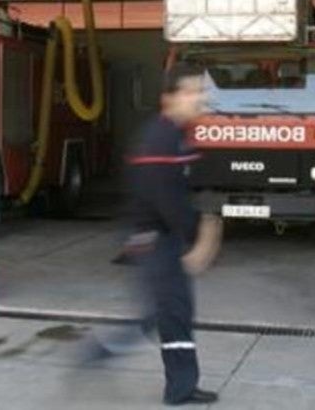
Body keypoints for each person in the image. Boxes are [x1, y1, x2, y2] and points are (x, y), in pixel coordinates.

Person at [86, 63, 221, 406]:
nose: (199, 98)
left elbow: (182, 189)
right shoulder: (159, 139)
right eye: (192, 91)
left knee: (174, 313)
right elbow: (166, 200)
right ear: (169, 98)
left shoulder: (177, 135)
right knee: (160, 315)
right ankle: (99, 352)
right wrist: (198, 237)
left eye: (201, 91)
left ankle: (181, 387)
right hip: (152, 240)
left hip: (164, 238)